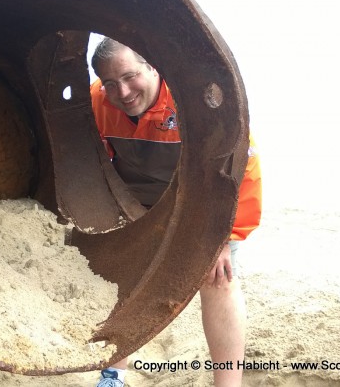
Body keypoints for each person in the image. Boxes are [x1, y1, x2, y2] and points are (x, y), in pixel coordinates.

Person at [90, 37, 262, 387]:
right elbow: (93, 161)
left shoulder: (194, 103)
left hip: (200, 205)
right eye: (110, 83)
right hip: (139, 203)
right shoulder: (96, 102)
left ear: (152, 65)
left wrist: (223, 239)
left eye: (129, 76)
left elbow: (243, 167)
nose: (121, 91)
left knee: (218, 281)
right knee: (120, 273)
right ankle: (114, 374)